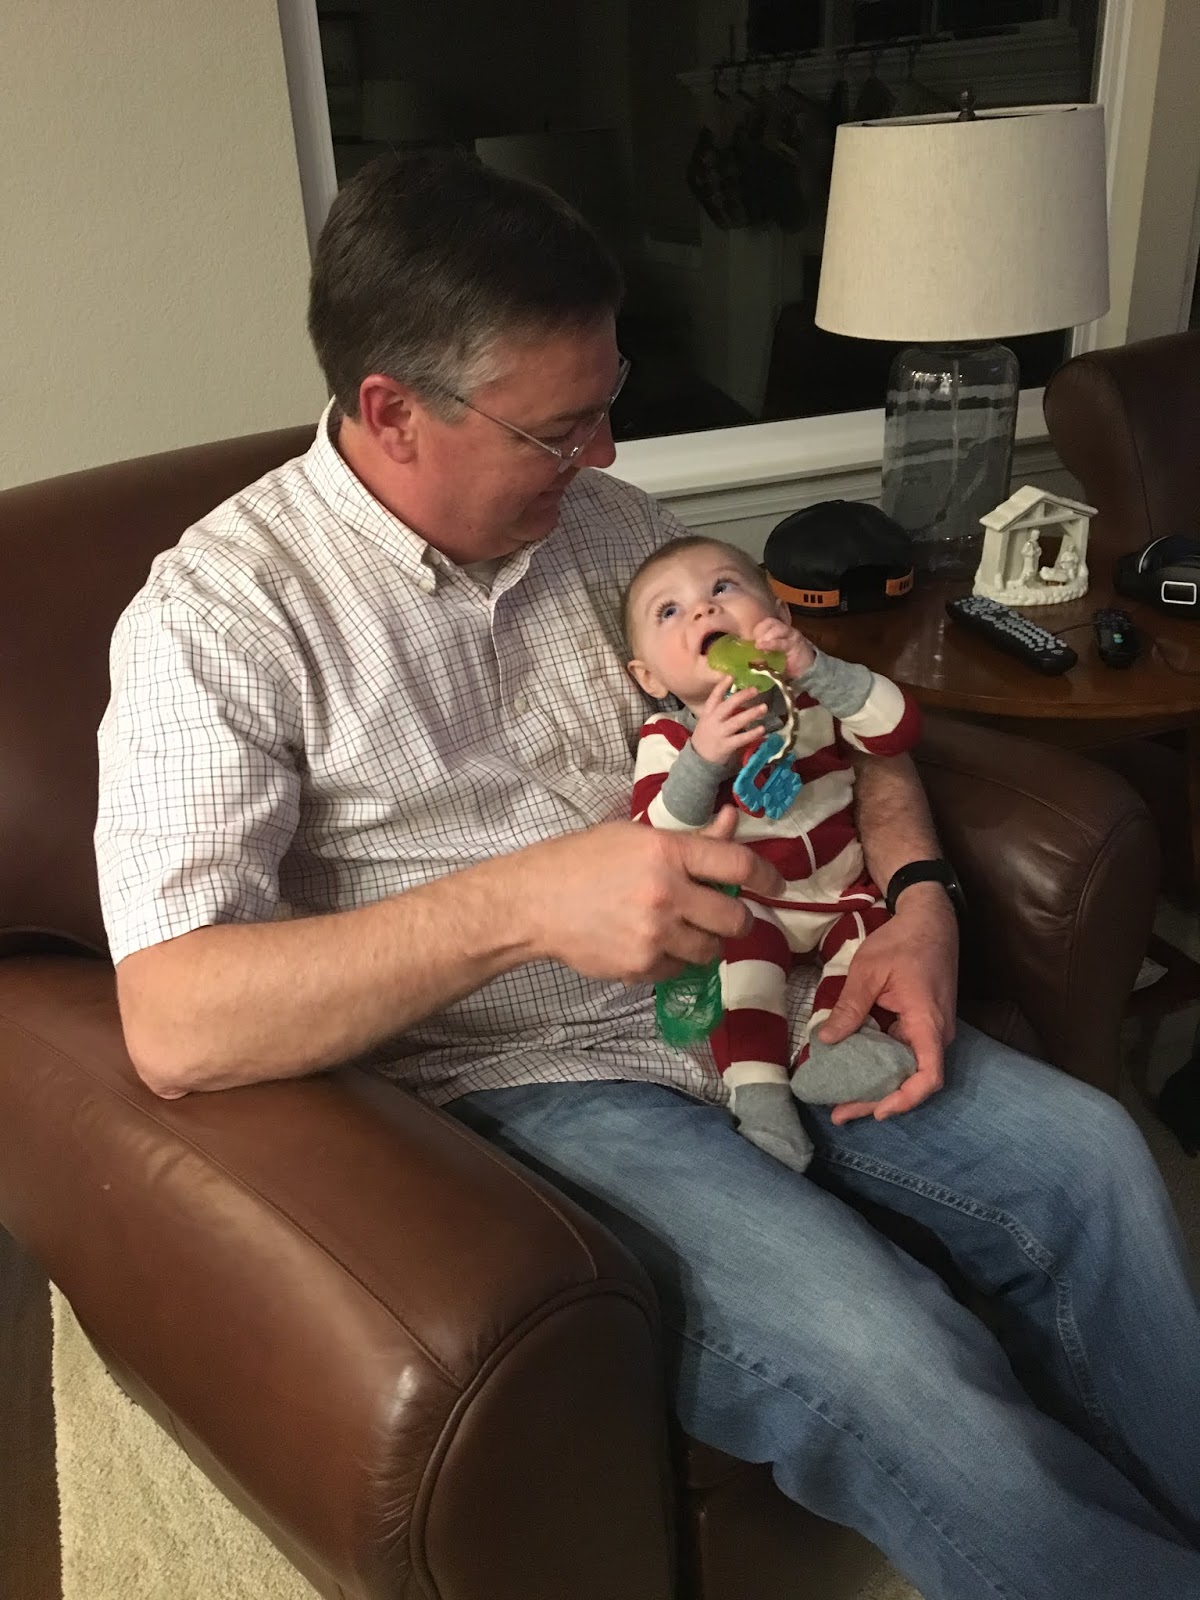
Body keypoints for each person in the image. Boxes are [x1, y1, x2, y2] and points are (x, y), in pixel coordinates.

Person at [94, 150, 1200, 1599]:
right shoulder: (221, 619)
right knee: (892, 1355)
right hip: (533, 1085)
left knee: (1095, 1164)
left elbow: (832, 719)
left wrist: (921, 901)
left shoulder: (618, 538)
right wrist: (521, 904)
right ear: (393, 411)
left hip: (782, 986)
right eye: (561, 430)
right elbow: (174, 1018)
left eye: (608, 402)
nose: (607, 454)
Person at [624, 535, 922, 1172]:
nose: (703, 610)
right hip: (753, 902)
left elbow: (897, 728)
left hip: (843, 892)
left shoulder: (817, 700)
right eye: (669, 611)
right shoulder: (671, 734)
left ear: (780, 616)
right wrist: (704, 757)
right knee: (740, 970)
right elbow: (655, 832)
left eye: (723, 587)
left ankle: (831, 1049)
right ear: (649, 677)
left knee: (870, 941)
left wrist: (817, 667)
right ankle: (759, 1098)